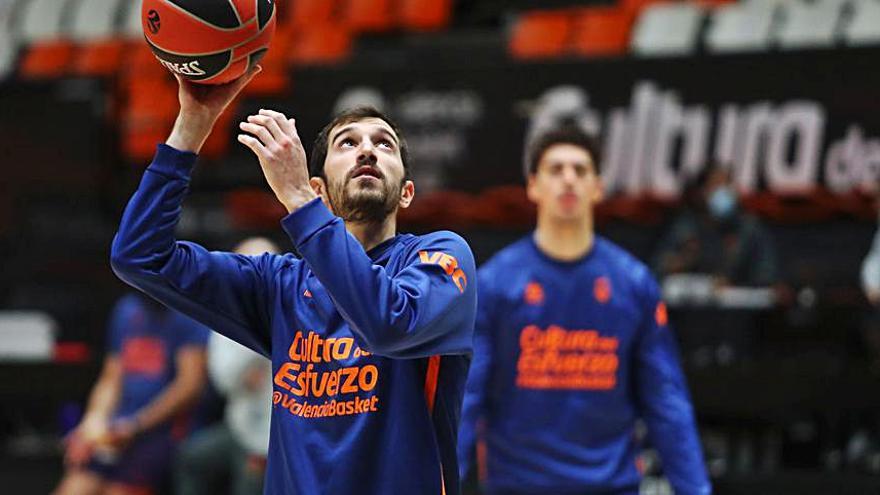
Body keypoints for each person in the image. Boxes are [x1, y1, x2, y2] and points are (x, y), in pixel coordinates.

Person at [110, 67, 477, 495]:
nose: (367, 151)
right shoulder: (280, 285)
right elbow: (139, 255)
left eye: (384, 144)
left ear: (407, 192)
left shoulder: (441, 256)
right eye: (348, 143)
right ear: (320, 189)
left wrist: (299, 201)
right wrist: (191, 127)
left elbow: (387, 323)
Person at [457, 126, 711, 495]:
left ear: (598, 187)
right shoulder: (495, 283)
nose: (568, 180)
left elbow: (666, 401)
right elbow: (466, 401)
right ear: (533, 185)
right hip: (519, 486)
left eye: (580, 170)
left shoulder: (633, 283)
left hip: (610, 486)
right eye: (556, 169)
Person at [53, 293, 210, 495]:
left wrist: (136, 426)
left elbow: (190, 386)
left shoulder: (188, 311)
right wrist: (93, 422)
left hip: (167, 430)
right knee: (75, 487)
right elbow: (111, 379)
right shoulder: (126, 309)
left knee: (117, 491)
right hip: (119, 429)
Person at [175, 237, 278, 495]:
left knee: (251, 483)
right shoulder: (227, 312)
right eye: (246, 266)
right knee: (191, 459)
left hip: (272, 438)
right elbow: (223, 379)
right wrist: (254, 361)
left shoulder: (290, 311)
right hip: (238, 427)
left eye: (261, 266)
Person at [652, 165, 779, 288]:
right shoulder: (685, 228)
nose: (723, 191)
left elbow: (765, 276)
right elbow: (657, 269)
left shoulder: (749, 229)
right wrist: (683, 261)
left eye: (728, 184)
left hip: (738, 306)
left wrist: (734, 284)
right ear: (700, 192)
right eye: (716, 185)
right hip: (690, 306)